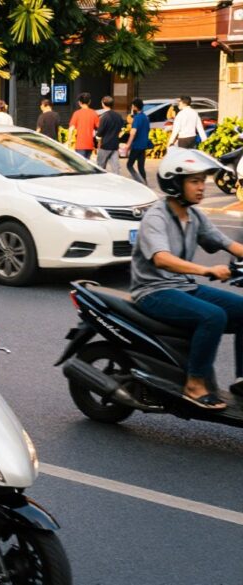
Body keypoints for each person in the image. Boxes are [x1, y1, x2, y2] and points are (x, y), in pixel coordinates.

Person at [131, 149, 243, 411]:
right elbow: (161, 258)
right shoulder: (156, 216)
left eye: (202, 181)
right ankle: (194, 383)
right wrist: (206, 270)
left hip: (183, 288)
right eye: (194, 181)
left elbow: (226, 243)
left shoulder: (194, 216)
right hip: (153, 291)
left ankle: (241, 379)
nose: (202, 187)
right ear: (175, 183)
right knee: (213, 316)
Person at [95, 96, 123, 175]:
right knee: (115, 168)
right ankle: (118, 183)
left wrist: (98, 141)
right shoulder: (118, 116)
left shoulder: (104, 117)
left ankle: (100, 183)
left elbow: (100, 132)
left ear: (103, 104)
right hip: (115, 145)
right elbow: (121, 129)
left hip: (105, 145)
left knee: (100, 167)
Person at [126, 98, 150, 185]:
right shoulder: (145, 117)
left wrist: (128, 144)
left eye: (132, 106)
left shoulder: (137, 118)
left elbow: (133, 132)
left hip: (136, 145)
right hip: (143, 145)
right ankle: (144, 181)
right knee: (141, 166)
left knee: (129, 165)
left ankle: (139, 181)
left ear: (135, 107)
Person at [69, 92, 99, 160]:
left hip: (80, 145)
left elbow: (71, 129)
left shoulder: (77, 113)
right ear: (89, 102)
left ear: (79, 102)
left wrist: (69, 142)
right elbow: (99, 128)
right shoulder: (94, 113)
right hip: (90, 144)